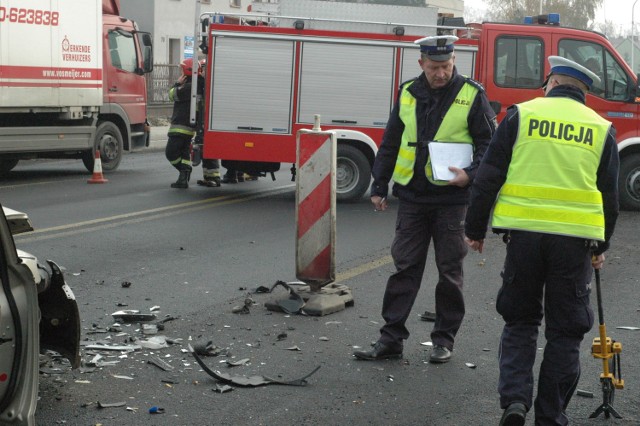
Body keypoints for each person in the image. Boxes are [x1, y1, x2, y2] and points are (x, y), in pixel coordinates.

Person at [464, 56, 619, 425]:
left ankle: (515, 402)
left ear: (550, 82)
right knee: (565, 332)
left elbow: (488, 175)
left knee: (520, 321)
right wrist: (601, 246)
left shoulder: (521, 115)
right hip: (574, 244)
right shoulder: (601, 128)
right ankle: (551, 416)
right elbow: (609, 198)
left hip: (523, 239)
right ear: (584, 92)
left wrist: (474, 228)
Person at [353, 35, 496, 363]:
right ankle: (390, 339)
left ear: (454, 60)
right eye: (434, 67)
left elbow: (489, 145)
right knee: (405, 267)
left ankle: (443, 340)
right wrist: (378, 184)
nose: (441, 73)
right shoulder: (408, 92)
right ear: (421, 64)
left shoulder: (471, 95)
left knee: (449, 271)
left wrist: (470, 175)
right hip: (413, 197)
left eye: (446, 66)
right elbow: (391, 140)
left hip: (451, 199)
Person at [165, 58, 199, 189]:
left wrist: (176, 84)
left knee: (171, 153)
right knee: (184, 153)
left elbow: (171, 95)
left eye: (181, 69)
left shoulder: (187, 87)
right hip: (188, 128)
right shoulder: (195, 85)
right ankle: (183, 179)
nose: (180, 72)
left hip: (179, 127)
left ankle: (184, 171)